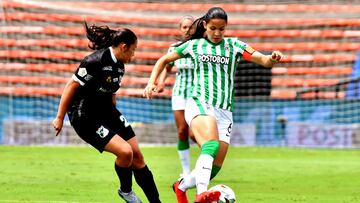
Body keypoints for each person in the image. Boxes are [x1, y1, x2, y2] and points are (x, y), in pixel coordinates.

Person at [143, 7, 283, 203]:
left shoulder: (234, 46)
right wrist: (151, 82)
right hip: (199, 103)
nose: (217, 33)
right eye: (213, 28)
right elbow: (164, 59)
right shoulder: (195, 46)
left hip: (225, 111)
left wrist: (272, 58)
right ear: (205, 26)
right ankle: (202, 194)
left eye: (222, 29)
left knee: (214, 168)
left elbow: (263, 60)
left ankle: (181, 186)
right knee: (210, 145)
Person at [52, 22, 161, 203]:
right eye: (133, 50)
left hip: (106, 111)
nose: (133, 55)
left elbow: (111, 92)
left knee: (138, 157)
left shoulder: (120, 66)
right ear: (123, 47)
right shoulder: (94, 61)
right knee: (126, 153)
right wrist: (59, 117)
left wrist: (115, 116)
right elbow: (71, 86)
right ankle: (126, 191)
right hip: (85, 116)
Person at [156, 15, 196, 178]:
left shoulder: (200, 46)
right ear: (180, 30)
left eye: (190, 27)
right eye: (184, 27)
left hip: (197, 94)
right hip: (179, 93)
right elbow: (167, 66)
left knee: (195, 134)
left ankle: (206, 164)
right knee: (182, 131)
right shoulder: (174, 48)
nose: (187, 30)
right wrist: (161, 82)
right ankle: (186, 171)